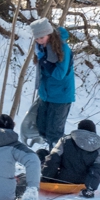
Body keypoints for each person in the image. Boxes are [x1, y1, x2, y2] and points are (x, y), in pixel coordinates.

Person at [31, 17, 75, 148]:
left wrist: (43, 60)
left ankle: (55, 161)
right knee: (42, 127)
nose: (39, 41)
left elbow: (59, 74)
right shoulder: (41, 48)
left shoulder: (63, 49)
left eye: (42, 37)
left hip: (61, 95)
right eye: (37, 38)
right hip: (46, 94)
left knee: (54, 133)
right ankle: (51, 155)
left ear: (49, 34)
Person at [41, 119, 100, 198]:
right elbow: (97, 170)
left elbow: (53, 160)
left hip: (60, 179)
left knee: (42, 153)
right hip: (81, 183)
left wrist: (45, 178)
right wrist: (90, 189)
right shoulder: (99, 150)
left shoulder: (65, 141)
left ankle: (34, 175)